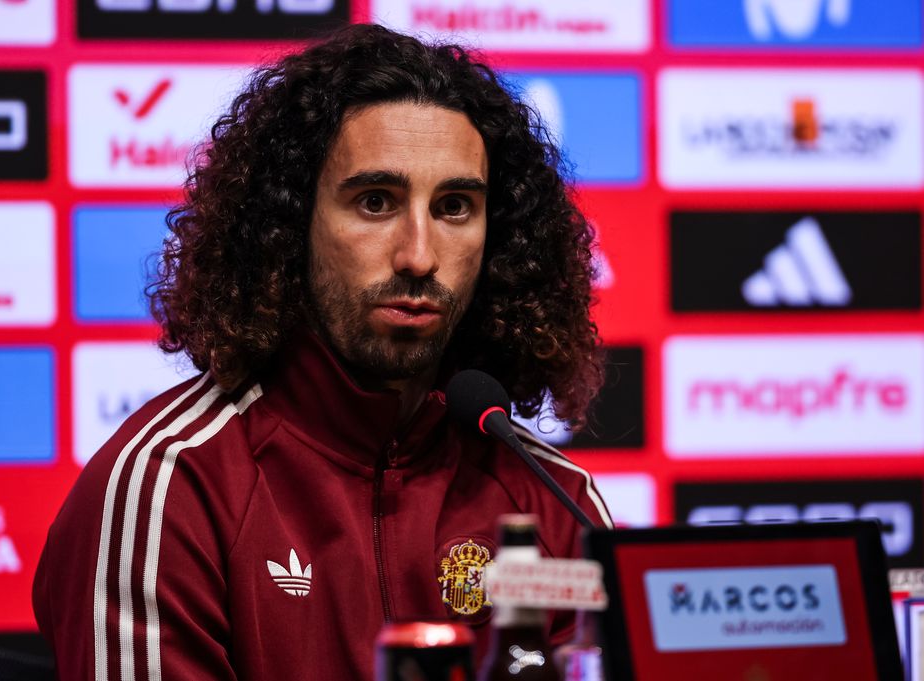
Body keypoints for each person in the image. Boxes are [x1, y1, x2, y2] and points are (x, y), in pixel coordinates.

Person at [33, 23, 612, 681]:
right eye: (374, 201)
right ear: (288, 224)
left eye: (453, 207)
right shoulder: (172, 487)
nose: (419, 255)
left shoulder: (553, 501)